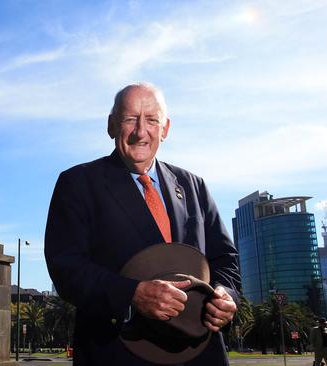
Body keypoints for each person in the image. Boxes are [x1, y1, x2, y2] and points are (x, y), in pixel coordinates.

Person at [44, 83, 240, 365]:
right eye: (129, 119)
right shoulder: (78, 183)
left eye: (151, 120)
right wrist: (132, 295)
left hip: (201, 351)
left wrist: (226, 295)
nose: (140, 131)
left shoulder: (194, 186)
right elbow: (67, 267)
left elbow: (226, 259)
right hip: (119, 352)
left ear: (166, 128)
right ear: (111, 126)